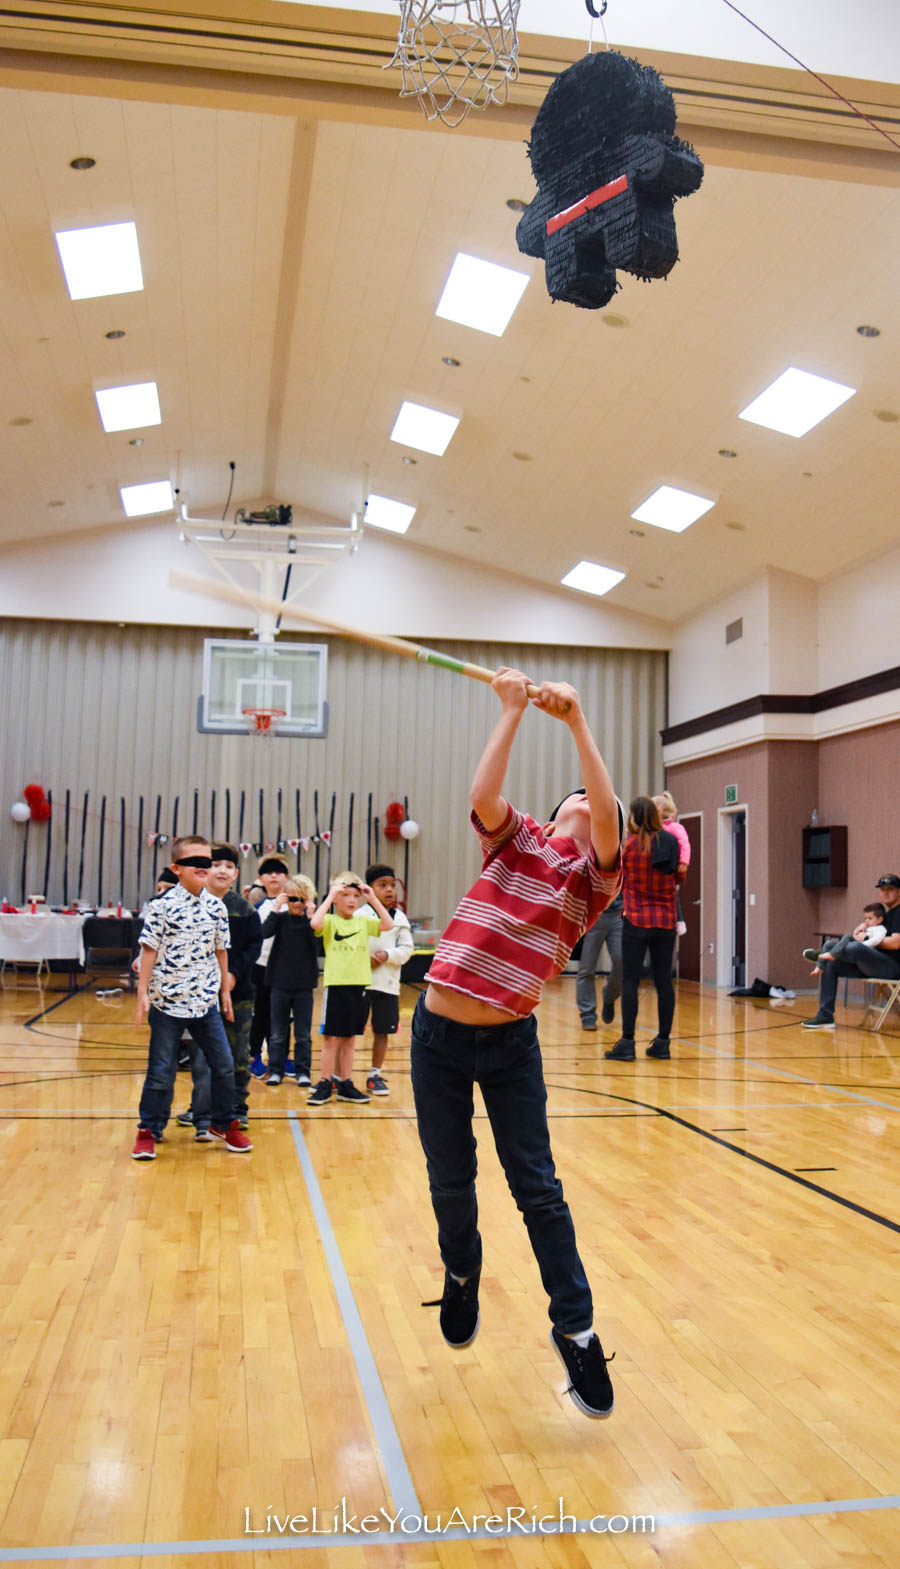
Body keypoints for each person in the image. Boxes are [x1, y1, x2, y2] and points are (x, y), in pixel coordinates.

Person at [412, 667, 622, 1418]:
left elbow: (606, 817)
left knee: (538, 1189)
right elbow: (482, 796)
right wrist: (510, 710)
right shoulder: (517, 841)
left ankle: (577, 1327)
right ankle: (461, 1272)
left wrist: (576, 722)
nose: (583, 807)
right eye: (572, 798)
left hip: (509, 1046)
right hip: (435, 1033)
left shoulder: (591, 881)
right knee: (450, 1176)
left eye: (594, 808)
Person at [132, 836, 251, 1159]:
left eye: (207, 861)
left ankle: (223, 1123)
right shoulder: (161, 907)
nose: (204, 867)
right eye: (194, 862)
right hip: (167, 1004)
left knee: (224, 1067)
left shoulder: (217, 908)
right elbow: (149, 950)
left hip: (205, 1005)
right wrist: (142, 991)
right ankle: (149, 1129)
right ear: (176, 868)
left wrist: (225, 992)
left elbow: (220, 950)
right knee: (161, 1071)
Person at [176, 845, 263, 1136]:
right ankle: (200, 1109)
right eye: (216, 865)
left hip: (238, 996)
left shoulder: (245, 910)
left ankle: (238, 1109)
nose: (222, 870)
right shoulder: (190, 905)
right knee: (201, 1058)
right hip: (200, 998)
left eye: (229, 866)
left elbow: (253, 947)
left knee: (238, 1056)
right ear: (204, 870)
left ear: (236, 874)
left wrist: (234, 974)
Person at [605, 796, 685, 1063]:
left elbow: (617, 878)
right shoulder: (670, 842)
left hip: (636, 919)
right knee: (664, 982)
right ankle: (662, 1042)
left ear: (634, 818)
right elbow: (680, 876)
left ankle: (627, 1043)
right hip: (665, 920)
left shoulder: (628, 847)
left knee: (631, 981)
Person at [307, 873, 394, 1106]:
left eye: (356, 896)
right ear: (336, 898)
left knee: (350, 1039)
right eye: (345, 895)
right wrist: (330, 897)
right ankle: (325, 1082)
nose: (351, 900)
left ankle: (346, 1083)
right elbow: (315, 923)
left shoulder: (363, 922)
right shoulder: (331, 921)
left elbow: (388, 924)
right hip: (336, 985)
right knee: (331, 1039)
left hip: (358, 986)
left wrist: (372, 899)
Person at [801, 875, 900, 1029]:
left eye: (890, 889)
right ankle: (825, 1016)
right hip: (873, 964)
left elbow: (895, 943)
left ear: (899, 892)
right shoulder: (884, 916)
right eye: (883, 890)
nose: (886, 893)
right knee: (830, 964)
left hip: (891, 968)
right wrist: (863, 932)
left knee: (856, 948)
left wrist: (866, 938)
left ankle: (827, 951)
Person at [359, 863, 414, 1096]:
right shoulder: (359, 915)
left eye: (392, 885)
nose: (390, 890)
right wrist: (363, 959)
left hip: (387, 985)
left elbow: (406, 949)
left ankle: (375, 1074)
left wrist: (386, 956)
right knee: (350, 1030)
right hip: (360, 982)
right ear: (370, 889)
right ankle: (339, 1076)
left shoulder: (399, 917)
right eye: (383, 885)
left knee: (382, 1031)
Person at [260, 875, 319, 1087]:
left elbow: (319, 947)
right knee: (277, 1033)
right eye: (292, 899)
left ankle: (303, 1071)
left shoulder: (312, 923)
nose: (296, 904)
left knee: (303, 1034)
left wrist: (312, 918)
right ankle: (276, 1070)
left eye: (301, 899)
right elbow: (263, 933)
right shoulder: (281, 920)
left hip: (304, 986)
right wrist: (275, 909)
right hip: (279, 984)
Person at [248, 856, 290, 1077]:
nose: (273, 876)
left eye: (279, 871)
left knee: (285, 1015)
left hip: (286, 970)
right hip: (261, 968)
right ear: (260, 878)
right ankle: (254, 1055)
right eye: (268, 872)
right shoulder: (256, 908)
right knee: (261, 1014)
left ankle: (282, 1056)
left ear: (287, 876)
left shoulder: (294, 906)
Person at [576, 893, 623, 1030]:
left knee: (622, 960)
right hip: (593, 913)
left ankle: (610, 995)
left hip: (618, 913)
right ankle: (587, 1014)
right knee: (587, 967)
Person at [802, 902, 886, 974]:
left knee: (847, 936)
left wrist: (862, 944)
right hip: (854, 947)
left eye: (870, 918)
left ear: (880, 919)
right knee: (829, 943)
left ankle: (828, 953)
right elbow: (855, 935)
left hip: (866, 953)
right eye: (865, 918)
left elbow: (876, 940)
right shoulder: (866, 927)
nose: (866, 921)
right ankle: (819, 966)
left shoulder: (881, 929)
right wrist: (859, 930)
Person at [654, 790, 691, 936]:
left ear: (661, 811)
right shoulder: (654, 829)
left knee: (672, 894)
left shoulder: (676, 828)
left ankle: (679, 920)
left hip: (671, 868)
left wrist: (683, 863)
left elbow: (685, 845)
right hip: (656, 869)